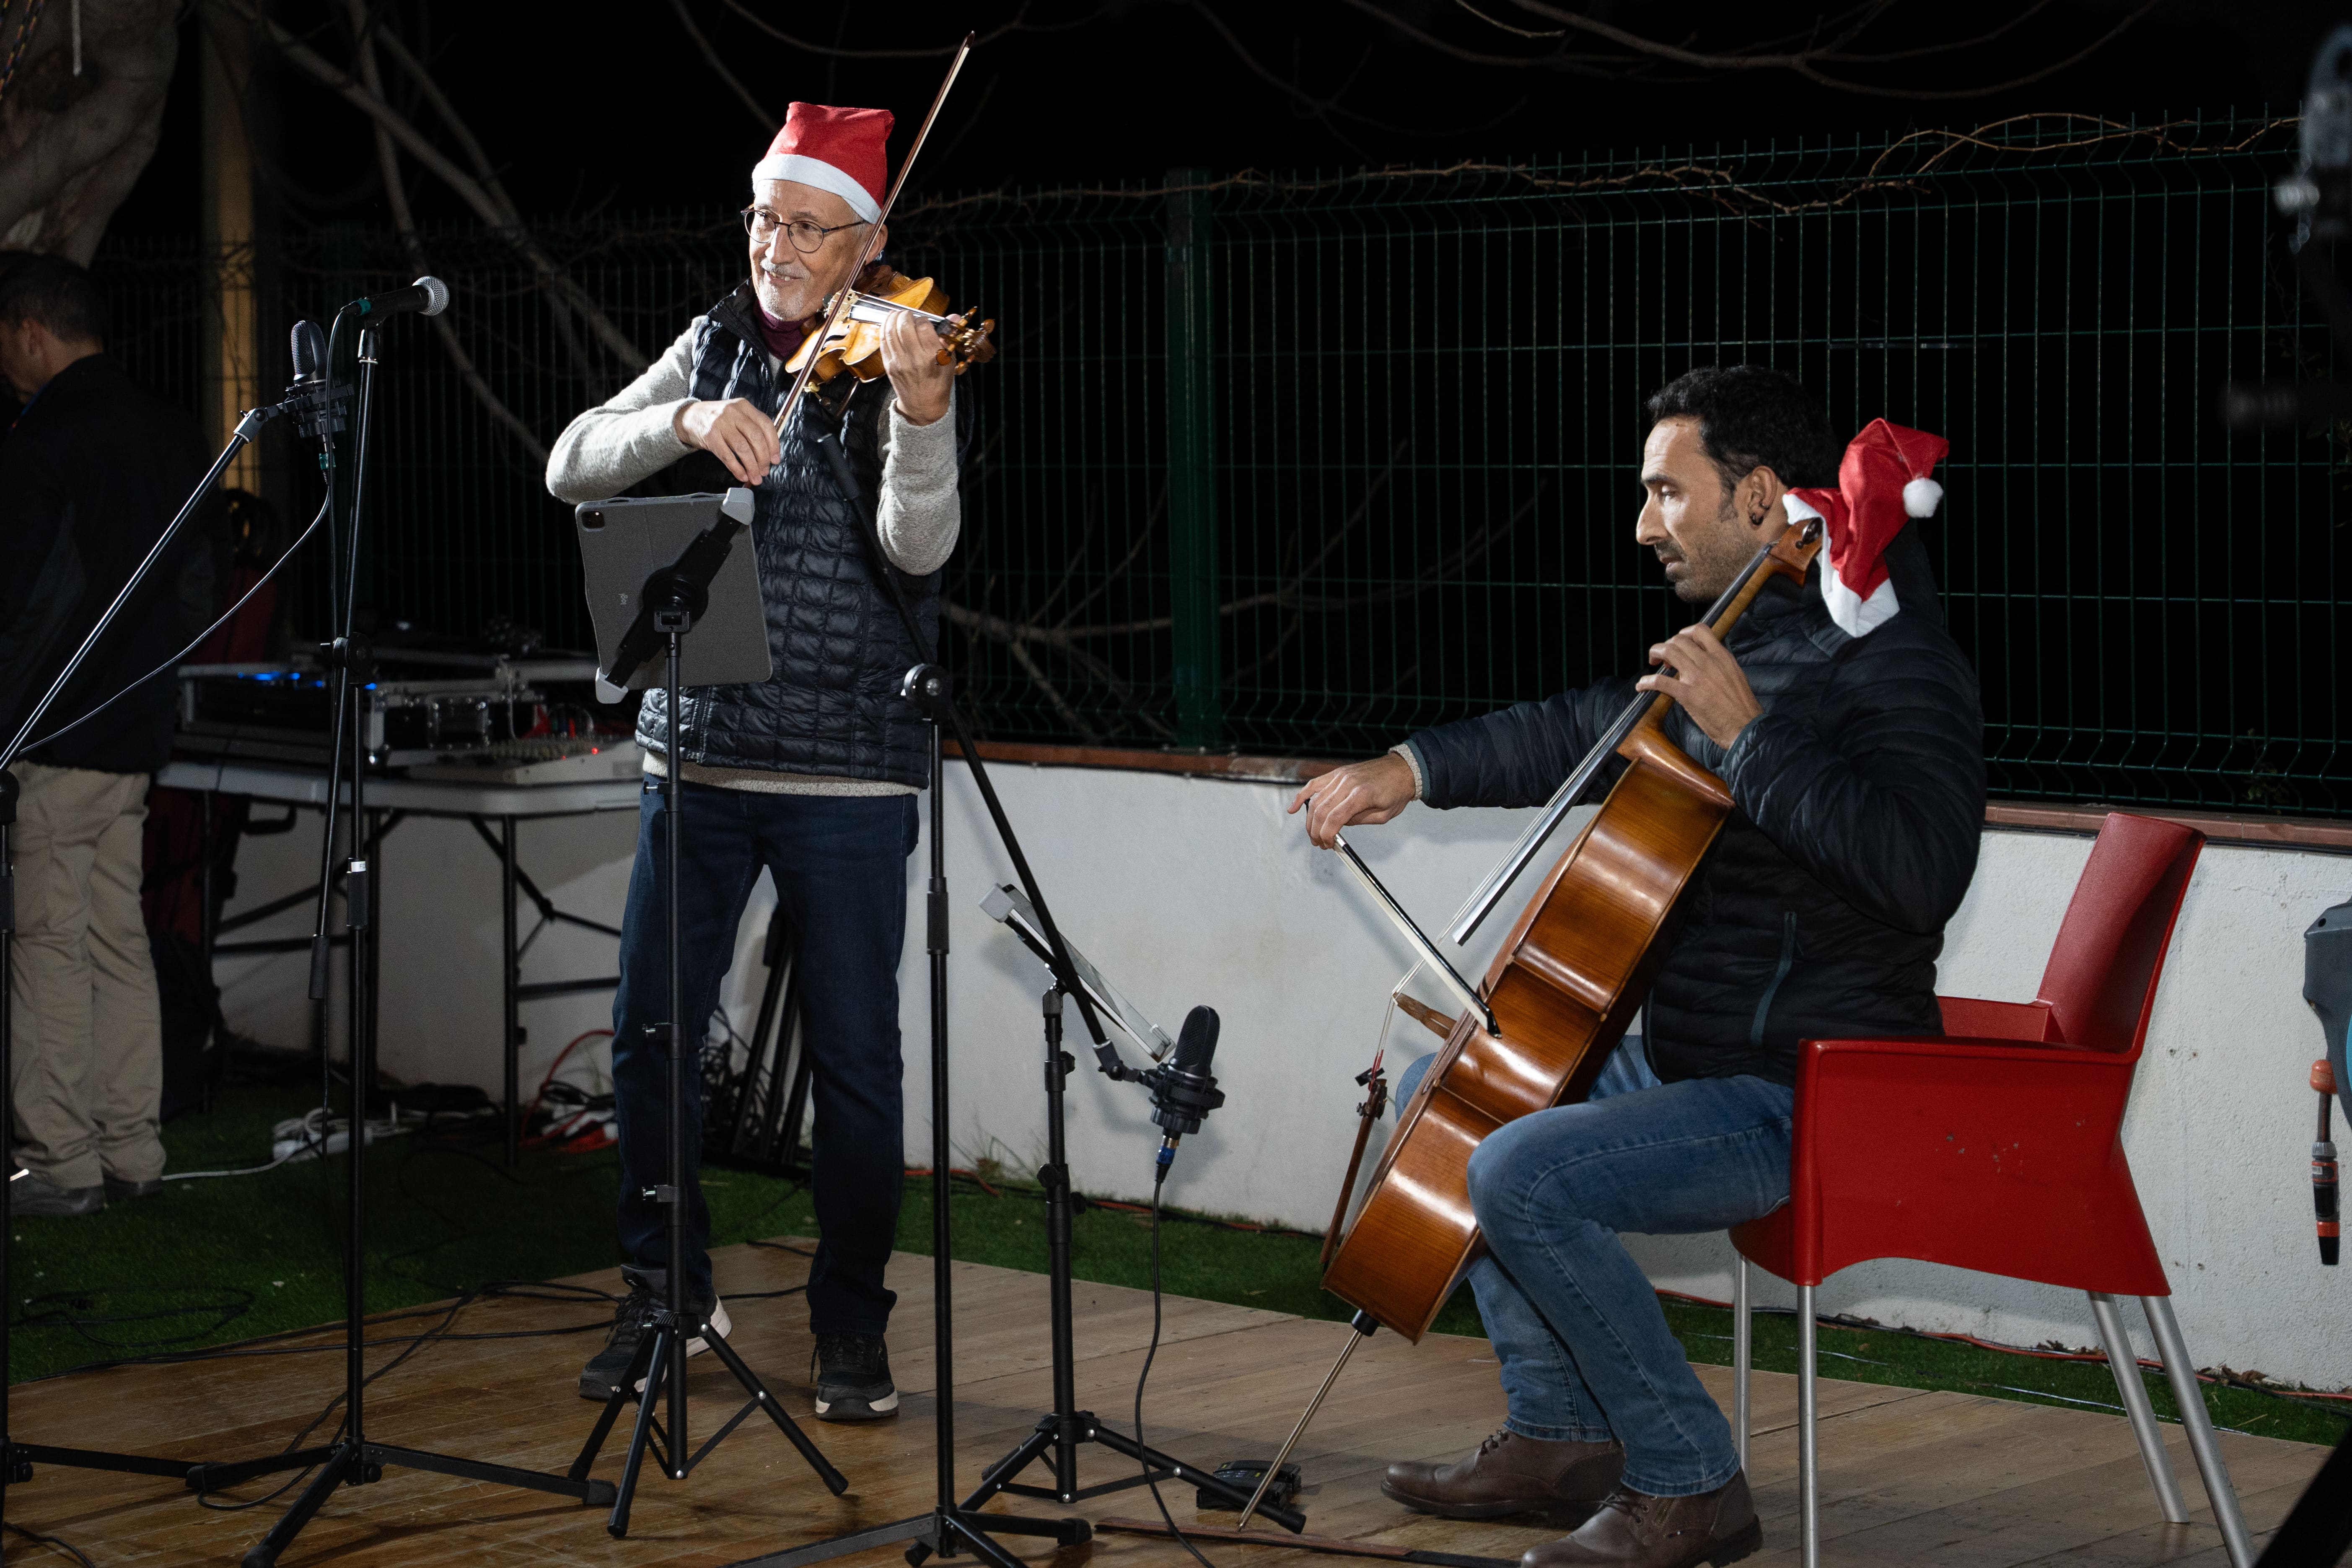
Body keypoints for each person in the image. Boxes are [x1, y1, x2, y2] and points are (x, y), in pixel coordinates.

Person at [1289, 366, 1985, 1568]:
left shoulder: (1896, 657)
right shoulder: (1754, 631)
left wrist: (1749, 740)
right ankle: (1559, 1437)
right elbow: (1585, 729)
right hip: (1704, 1060)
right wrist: (1407, 767)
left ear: (1759, 494)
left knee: (1523, 1172)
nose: (1643, 525)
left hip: (1808, 1088)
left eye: (1668, 492)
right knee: (1447, 1101)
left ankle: (1690, 1481)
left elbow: (1921, 870)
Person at [546, 101, 968, 1422]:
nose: (773, 244)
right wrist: (685, 421)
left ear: (868, 241)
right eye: (761, 218)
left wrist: (922, 411)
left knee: (853, 1063)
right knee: (646, 1037)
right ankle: (665, 1290)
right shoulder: (722, 336)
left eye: (801, 225)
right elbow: (571, 460)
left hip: (846, 768)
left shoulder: (904, 348)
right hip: (700, 750)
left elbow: (917, 550)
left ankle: (850, 1321)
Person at [0, 254, 217, 1218]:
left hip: (51, 730)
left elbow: (19, 602)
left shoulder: (44, 437)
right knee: (116, 935)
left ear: (28, 331)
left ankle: (60, 1161)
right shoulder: (174, 430)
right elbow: (203, 589)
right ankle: (133, 1146)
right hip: (136, 723)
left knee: (48, 941)